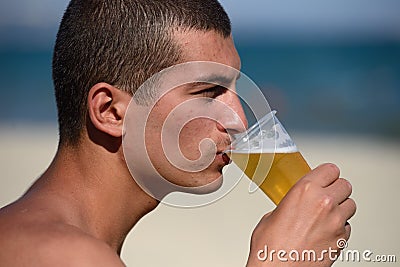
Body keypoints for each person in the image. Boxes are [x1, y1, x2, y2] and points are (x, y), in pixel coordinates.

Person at [0, 0, 356, 266]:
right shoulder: (66, 257)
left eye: (235, 89)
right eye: (208, 92)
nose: (239, 120)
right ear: (110, 111)